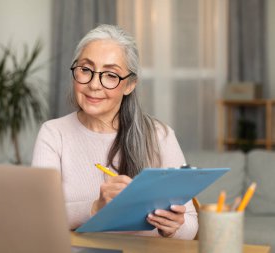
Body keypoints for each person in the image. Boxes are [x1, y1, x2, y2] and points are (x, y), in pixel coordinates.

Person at [32, 24, 198, 239]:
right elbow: (39, 218)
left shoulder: (160, 135)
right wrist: (95, 208)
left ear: (129, 85)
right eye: (85, 69)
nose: (94, 84)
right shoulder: (54, 133)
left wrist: (172, 227)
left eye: (110, 75)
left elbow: (190, 227)